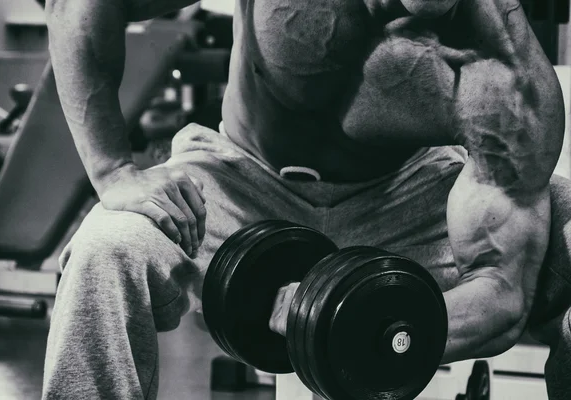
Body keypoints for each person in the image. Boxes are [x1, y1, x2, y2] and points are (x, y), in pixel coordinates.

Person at [42, 0, 571, 398]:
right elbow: (81, 4)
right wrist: (113, 169)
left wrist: (340, 325)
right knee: (105, 248)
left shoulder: (505, 76)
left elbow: (501, 296)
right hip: (239, 178)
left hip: (408, 197)